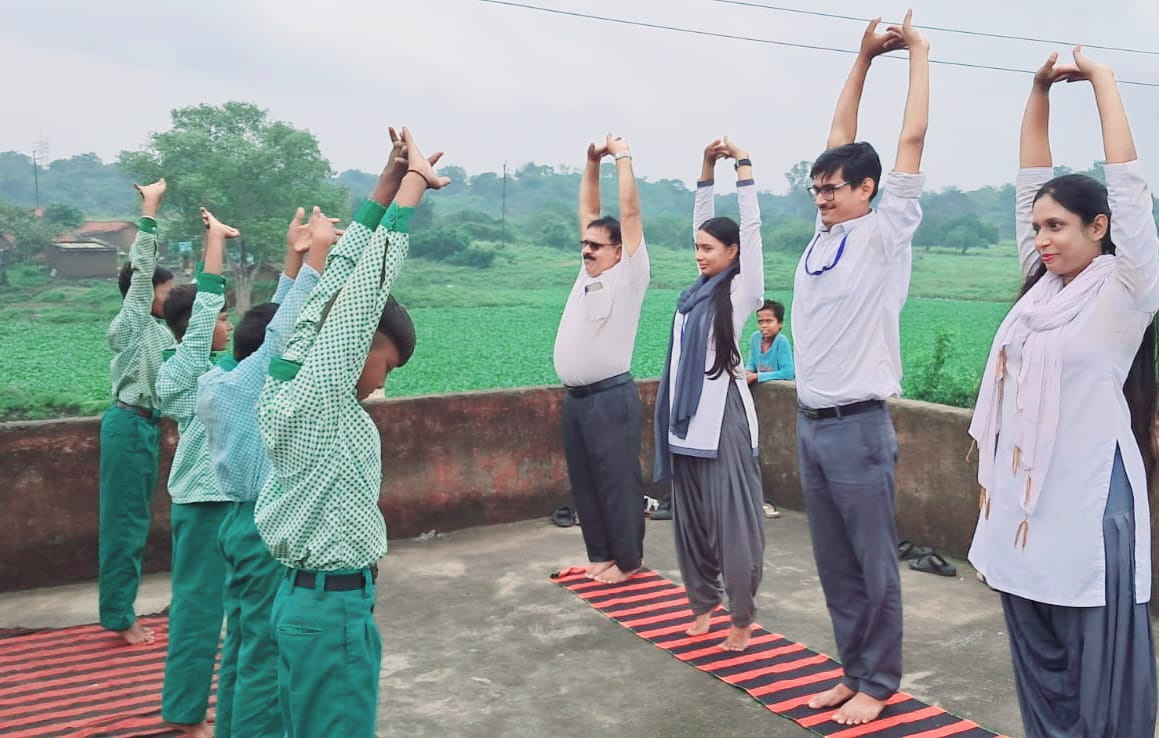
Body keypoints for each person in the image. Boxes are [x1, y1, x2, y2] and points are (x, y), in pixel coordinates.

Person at [967, 48, 1158, 737]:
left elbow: (1130, 191)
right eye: (1038, 228)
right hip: (1022, 502)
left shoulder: (1126, 289)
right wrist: (1039, 89)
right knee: (1037, 652)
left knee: (1093, 659)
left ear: (1098, 228)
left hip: (1087, 502)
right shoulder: (1038, 290)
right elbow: (1028, 181)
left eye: (1058, 227)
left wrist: (1102, 83)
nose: (1043, 238)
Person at [255, 128, 447, 737]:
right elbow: (361, 294)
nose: (379, 384)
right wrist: (413, 187)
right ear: (357, 346)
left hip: (303, 603)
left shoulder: (287, 372)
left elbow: (330, 285)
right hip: (330, 607)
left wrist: (386, 184)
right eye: (384, 367)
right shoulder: (321, 397)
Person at [791, 12, 929, 725]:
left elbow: (908, 140)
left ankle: (880, 681)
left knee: (873, 568)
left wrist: (915, 56)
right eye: (817, 189)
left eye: (834, 189)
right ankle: (853, 671)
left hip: (859, 429)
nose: (822, 197)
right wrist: (861, 59)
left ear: (867, 190)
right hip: (811, 426)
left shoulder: (883, 234)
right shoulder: (826, 235)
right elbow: (837, 138)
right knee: (836, 566)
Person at [196, 205, 337, 738]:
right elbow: (284, 332)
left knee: (243, 643)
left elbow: (271, 324)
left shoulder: (222, 379)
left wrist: (292, 257)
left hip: (235, 524)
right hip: (263, 529)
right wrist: (317, 257)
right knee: (266, 653)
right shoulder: (255, 382)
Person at [654, 136, 765, 652]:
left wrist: (742, 171)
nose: (699, 256)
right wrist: (704, 167)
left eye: (708, 248)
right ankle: (703, 604)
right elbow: (700, 218)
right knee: (692, 523)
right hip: (682, 423)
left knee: (734, 525)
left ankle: (741, 616)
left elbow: (754, 233)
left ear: (733, 253)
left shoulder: (740, 293)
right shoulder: (692, 295)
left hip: (721, 422)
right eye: (696, 248)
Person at [553, 133, 650, 585]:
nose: (587, 249)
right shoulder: (586, 272)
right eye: (585, 244)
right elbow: (589, 212)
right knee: (588, 483)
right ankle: (602, 556)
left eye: (597, 245)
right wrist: (590, 162)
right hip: (577, 399)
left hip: (610, 397)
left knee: (617, 482)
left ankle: (627, 563)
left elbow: (628, 213)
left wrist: (621, 157)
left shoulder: (629, 275)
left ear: (618, 249)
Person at [154, 208, 236, 737]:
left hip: (224, 502)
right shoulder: (182, 368)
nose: (228, 325)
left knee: (229, 611)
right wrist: (215, 243)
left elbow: (274, 327)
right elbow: (206, 305)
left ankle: (207, 707)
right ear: (199, 329)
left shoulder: (220, 369)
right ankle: (185, 716)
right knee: (198, 611)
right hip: (202, 508)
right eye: (223, 318)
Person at [99, 178, 175, 646]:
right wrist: (150, 210)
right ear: (145, 292)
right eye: (165, 290)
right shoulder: (131, 324)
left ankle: (120, 608)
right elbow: (141, 270)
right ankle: (119, 616)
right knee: (124, 523)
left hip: (145, 428)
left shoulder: (163, 335)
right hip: (128, 425)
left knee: (136, 521)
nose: (170, 297)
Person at [745, 299, 794, 385]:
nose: (764, 325)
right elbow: (752, 362)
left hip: (778, 391)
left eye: (769, 321)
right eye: (760, 322)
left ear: (780, 323)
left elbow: (788, 373)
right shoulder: (755, 338)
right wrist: (748, 371)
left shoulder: (781, 341)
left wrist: (757, 376)